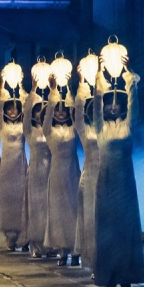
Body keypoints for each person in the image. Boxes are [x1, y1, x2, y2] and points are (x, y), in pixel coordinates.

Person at [92, 65, 144, 287]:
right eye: (108, 103)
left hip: (125, 184)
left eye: (117, 103)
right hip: (106, 182)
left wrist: (130, 83)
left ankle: (127, 276)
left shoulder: (127, 128)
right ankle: (110, 276)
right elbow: (94, 107)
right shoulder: (100, 129)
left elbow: (135, 108)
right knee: (107, 230)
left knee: (126, 229)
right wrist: (99, 80)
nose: (112, 106)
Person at [43, 76, 81, 265]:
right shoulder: (49, 132)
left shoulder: (74, 129)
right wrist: (53, 92)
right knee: (58, 212)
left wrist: (68, 88)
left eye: (62, 110)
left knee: (74, 210)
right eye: (57, 111)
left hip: (73, 172)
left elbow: (77, 115)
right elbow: (47, 116)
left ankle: (76, 250)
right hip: (57, 173)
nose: (59, 113)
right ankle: (62, 251)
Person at [0, 78, 28, 251]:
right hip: (7, 167)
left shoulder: (24, 125)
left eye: (15, 108)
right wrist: (2, 86)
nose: (13, 111)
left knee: (22, 199)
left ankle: (23, 237)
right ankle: (9, 236)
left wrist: (20, 86)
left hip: (20, 165)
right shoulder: (2, 126)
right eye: (10, 108)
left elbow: (28, 108)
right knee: (8, 201)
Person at [73, 72, 100, 270]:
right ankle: (90, 258)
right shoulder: (85, 130)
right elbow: (77, 113)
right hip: (90, 175)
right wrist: (83, 84)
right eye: (91, 110)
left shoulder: (108, 128)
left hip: (108, 175)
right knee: (89, 217)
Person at [23, 85, 51, 258]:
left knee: (49, 208)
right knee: (36, 208)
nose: (40, 114)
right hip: (35, 171)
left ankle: (50, 245)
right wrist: (33, 89)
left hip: (51, 171)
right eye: (37, 111)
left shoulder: (52, 130)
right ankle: (36, 244)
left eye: (44, 111)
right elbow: (25, 115)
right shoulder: (29, 131)